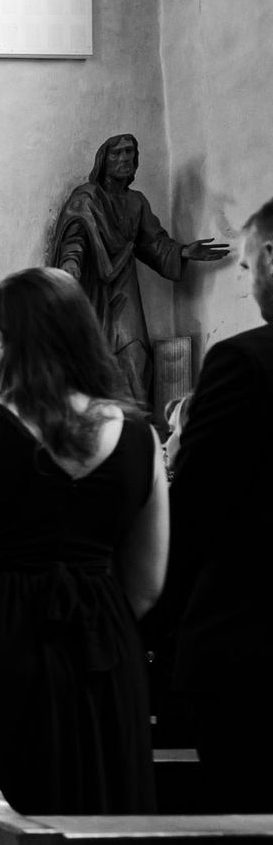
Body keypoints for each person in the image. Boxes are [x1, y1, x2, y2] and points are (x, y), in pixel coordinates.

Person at [0, 265, 166, 845]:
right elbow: (146, 584)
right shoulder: (140, 437)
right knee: (100, 843)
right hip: (102, 663)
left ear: (6, 342)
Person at [162, 195, 273, 809]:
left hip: (250, 653)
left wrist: (151, 626)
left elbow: (197, 512)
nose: (249, 281)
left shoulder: (246, 363)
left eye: (250, 266)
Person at [49, 134, 229, 408]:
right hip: (90, 288)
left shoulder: (137, 202)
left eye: (129, 153)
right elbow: (74, 238)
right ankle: (94, 418)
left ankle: (135, 419)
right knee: (89, 352)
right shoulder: (86, 198)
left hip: (123, 283)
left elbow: (152, 243)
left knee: (135, 352)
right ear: (103, 160)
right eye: (117, 153)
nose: (124, 159)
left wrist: (182, 251)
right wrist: (69, 270)